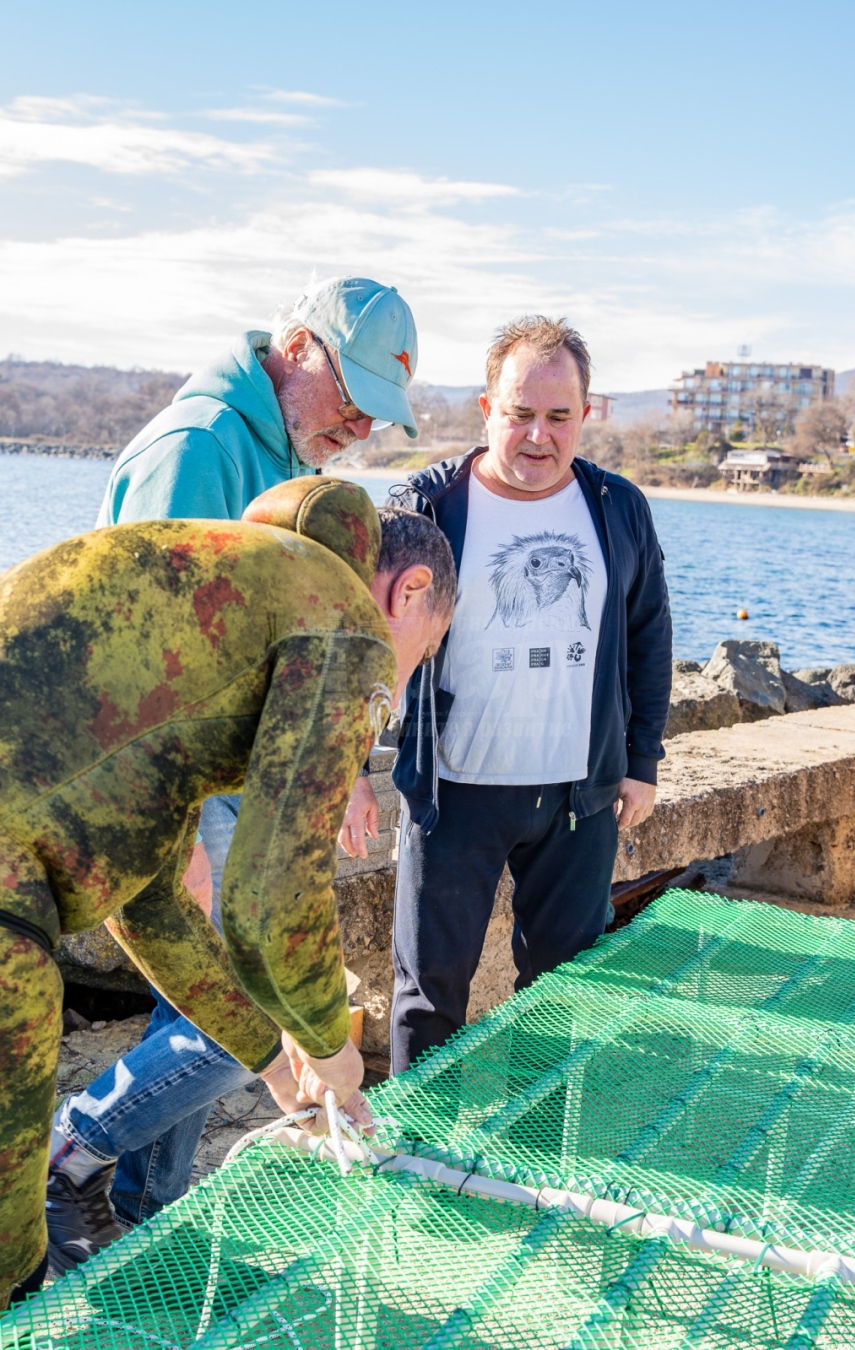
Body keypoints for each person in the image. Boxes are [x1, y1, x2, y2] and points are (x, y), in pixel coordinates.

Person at [0, 476, 455, 1309]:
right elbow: (270, 901)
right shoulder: (343, 618)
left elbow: (149, 910)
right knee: (10, 1265)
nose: (395, 691)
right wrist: (331, 1049)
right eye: (422, 653)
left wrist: (274, 1069)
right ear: (408, 593)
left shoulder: (215, 588)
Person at [45, 275, 420, 1271]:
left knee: (199, 1006)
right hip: (151, 783)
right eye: (353, 395)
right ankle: (66, 1149)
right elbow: (151, 670)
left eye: (377, 414)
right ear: (297, 347)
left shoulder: (283, 455)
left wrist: (332, 770)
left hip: (213, 775)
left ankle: (149, 1211)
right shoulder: (201, 448)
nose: (358, 425)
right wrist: (182, 853)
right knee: (231, 1005)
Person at [339, 316, 672, 1074]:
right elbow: (366, 644)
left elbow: (649, 634)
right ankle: (415, 1166)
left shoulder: (619, 508)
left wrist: (642, 759)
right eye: (520, 413)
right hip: (453, 794)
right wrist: (351, 768)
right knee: (428, 999)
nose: (537, 435)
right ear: (487, 408)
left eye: (558, 417)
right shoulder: (428, 509)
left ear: (585, 416)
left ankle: (537, 1158)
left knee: (564, 995)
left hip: (575, 801)